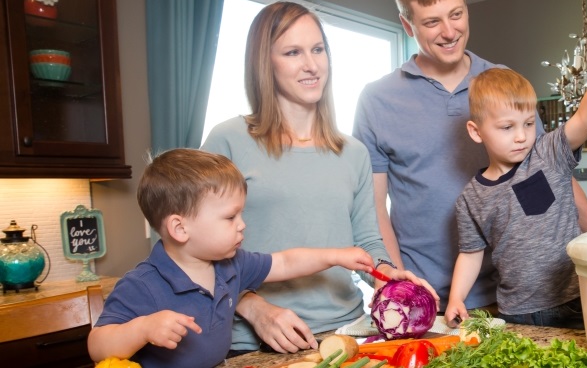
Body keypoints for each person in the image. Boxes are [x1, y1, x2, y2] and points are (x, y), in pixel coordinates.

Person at [353, 0, 587, 314]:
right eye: (432, 22)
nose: (449, 32)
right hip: (427, 299)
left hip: (513, 296)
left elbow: (544, 178)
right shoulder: (377, 100)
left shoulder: (501, 84)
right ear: (407, 24)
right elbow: (373, 209)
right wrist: (399, 289)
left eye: (456, 14)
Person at [201, 2, 436, 356]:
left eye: (318, 49)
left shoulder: (353, 152)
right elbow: (183, 252)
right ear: (265, 63)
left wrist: (390, 274)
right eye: (293, 52)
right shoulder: (228, 140)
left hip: (346, 336)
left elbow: (367, 240)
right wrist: (252, 307)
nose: (311, 65)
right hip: (255, 343)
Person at [87, 149, 376, 368]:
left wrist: (337, 255)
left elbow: (286, 262)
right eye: (229, 217)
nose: (242, 224)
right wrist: (143, 328)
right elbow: (97, 344)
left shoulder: (231, 264)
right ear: (180, 228)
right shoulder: (142, 284)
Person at [444, 65, 587, 328]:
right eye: (507, 127)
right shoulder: (471, 199)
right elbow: (470, 254)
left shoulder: (547, 155)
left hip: (575, 301)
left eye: (528, 124)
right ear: (476, 131)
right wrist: (456, 298)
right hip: (517, 313)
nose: (521, 136)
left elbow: (585, 118)